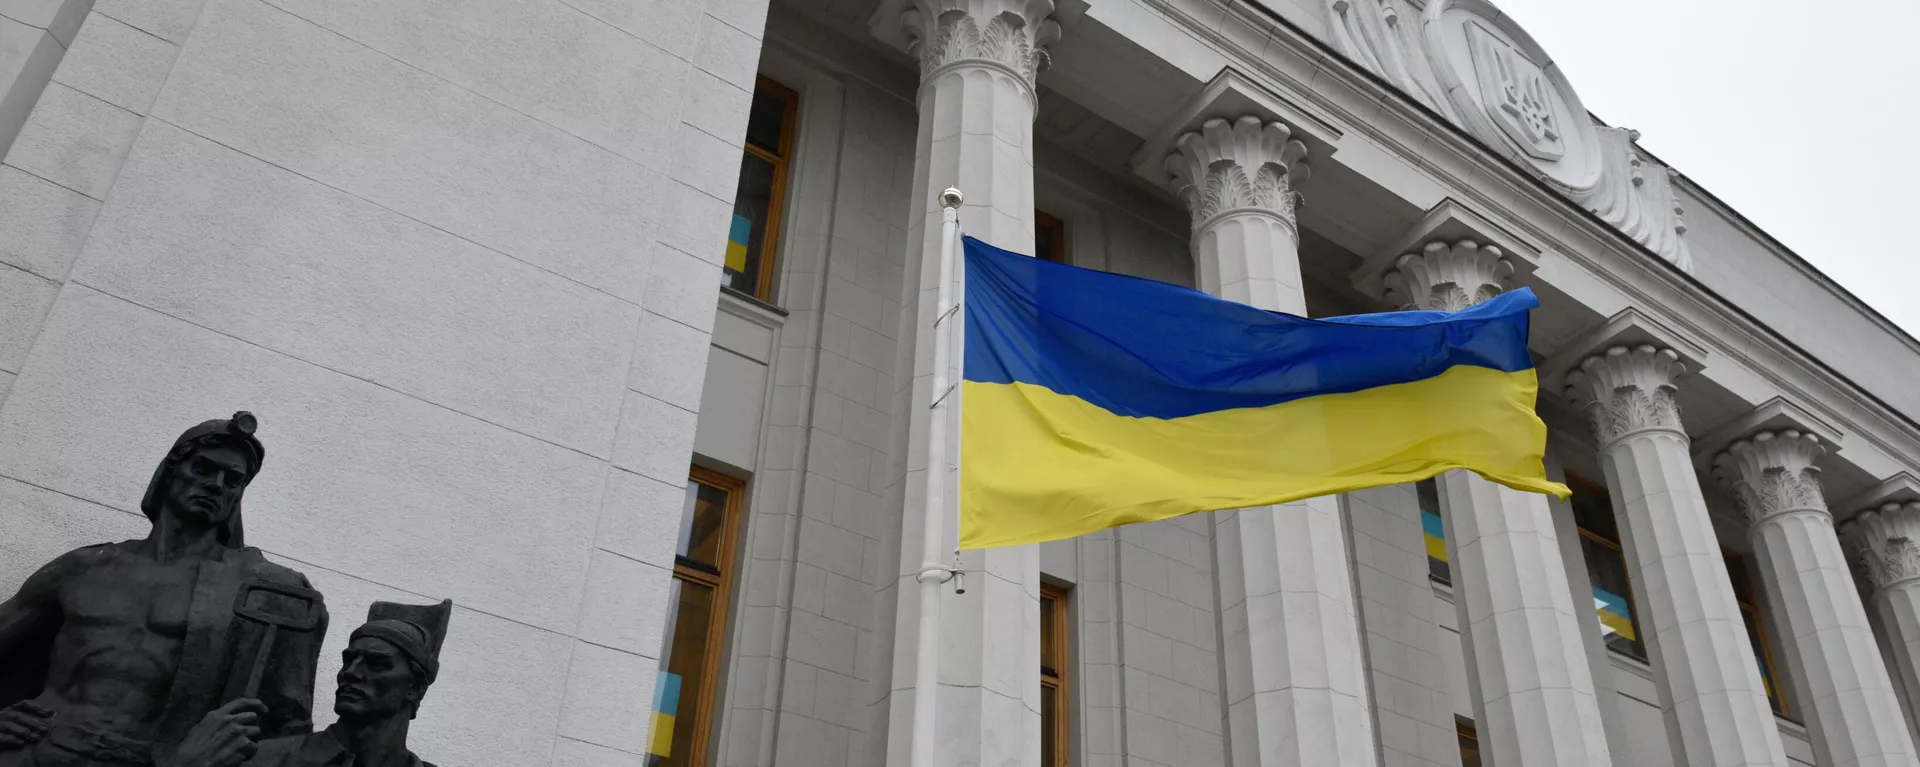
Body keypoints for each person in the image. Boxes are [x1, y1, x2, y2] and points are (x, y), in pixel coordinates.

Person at [0, 413, 327, 766]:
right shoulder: (85, 567)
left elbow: (287, 724)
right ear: (170, 472)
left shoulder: (261, 590)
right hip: (36, 754)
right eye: (203, 468)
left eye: (233, 480)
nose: (217, 484)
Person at [219, 600, 450, 767]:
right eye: (349, 660)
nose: (351, 672)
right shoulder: (267, 760)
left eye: (377, 664)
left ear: (415, 688)